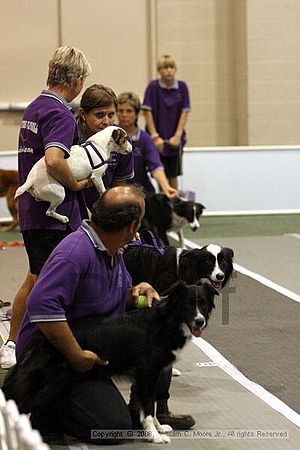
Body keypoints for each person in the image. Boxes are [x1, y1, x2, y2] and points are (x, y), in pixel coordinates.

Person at [15, 185, 195, 443]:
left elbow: (102, 296)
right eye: (140, 221)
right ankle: (47, 409)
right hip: (51, 359)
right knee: (110, 426)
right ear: (132, 227)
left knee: (160, 345)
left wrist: (134, 292)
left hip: (87, 349)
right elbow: (42, 306)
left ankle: (144, 411)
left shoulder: (110, 251)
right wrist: (75, 355)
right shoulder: (75, 252)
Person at [0, 46, 92, 369]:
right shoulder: (61, 114)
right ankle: (29, 347)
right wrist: (76, 184)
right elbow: (54, 160)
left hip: (30, 212)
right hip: (52, 217)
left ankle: (13, 343)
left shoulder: (33, 108)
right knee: (49, 285)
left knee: (35, 277)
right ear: (77, 80)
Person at [77, 84, 134, 210]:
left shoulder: (121, 139)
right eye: (99, 115)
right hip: (70, 205)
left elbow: (118, 188)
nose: (106, 122)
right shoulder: (68, 135)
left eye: (111, 115)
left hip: (102, 208)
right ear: (83, 114)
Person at [142, 54, 191, 190]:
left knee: (174, 175)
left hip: (175, 140)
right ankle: (164, 205)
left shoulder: (182, 87)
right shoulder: (153, 87)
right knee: (160, 173)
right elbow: (147, 111)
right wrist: (154, 136)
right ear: (159, 70)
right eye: (165, 67)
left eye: (171, 67)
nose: (168, 70)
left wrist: (178, 136)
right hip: (157, 139)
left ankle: (173, 206)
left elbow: (185, 111)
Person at [117, 91, 178, 198]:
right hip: (117, 193)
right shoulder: (110, 136)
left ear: (136, 114)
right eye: (120, 111)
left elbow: (156, 167)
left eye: (129, 111)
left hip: (142, 193)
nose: (124, 115)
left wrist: (166, 187)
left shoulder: (145, 139)